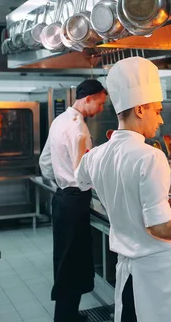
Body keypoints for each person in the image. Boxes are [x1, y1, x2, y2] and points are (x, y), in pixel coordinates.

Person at [75, 57, 171, 322]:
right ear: (141, 109)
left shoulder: (96, 156)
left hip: (128, 278)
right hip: (157, 281)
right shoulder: (150, 157)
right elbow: (160, 226)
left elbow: (80, 179)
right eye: (157, 110)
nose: (161, 120)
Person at [39, 79, 107, 322]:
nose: (100, 109)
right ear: (88, 98)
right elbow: (83, 173)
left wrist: (60, 180)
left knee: (66, 259)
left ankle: (69, 314)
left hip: (62, 199)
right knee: (73, 261)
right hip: (75, 201)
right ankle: (65, 319)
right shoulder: (79, 129)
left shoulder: (59, 121)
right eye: (99, 103)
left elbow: (45, 163)